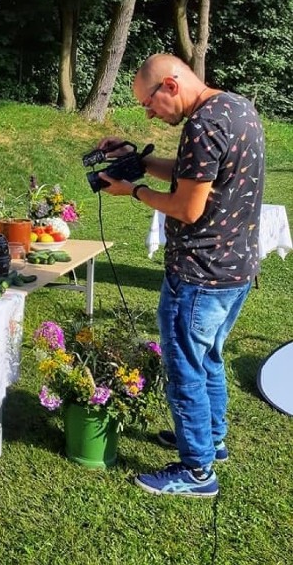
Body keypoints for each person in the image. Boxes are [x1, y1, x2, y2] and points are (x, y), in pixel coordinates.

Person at [95, 53, 265, 497]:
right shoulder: (236, 107)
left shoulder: (203, 124)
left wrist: (133, 190)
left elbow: (188, 207)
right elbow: (198, 174)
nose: (149, 113)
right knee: (208, 357)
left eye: (149, 104)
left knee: (185, 368)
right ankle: (212, 441)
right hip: (237, 269)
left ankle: (197, 472)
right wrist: (141, 161)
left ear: (170, 85)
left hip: (200, 273)